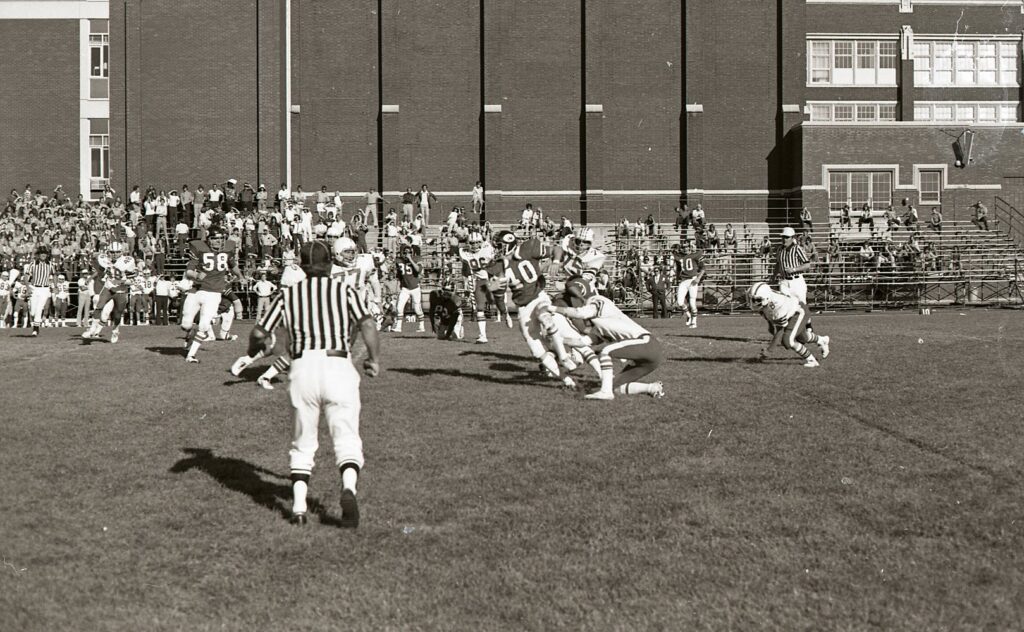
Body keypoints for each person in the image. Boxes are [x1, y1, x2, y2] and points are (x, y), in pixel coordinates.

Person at [243, 240, 381, 527]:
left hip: (303, 366)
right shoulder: (344, 290)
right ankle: (348, 488)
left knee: (303, 442)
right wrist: (374, 359)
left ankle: (298, 507)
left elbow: (259, 332)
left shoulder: (288, 295)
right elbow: (367, 324)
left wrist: (251, 350)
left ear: (302, 266)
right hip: (338, 364)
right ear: (330, 263)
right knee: (346, 437)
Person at [549, 277, 665, 400]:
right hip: (650, 354)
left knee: (606, 352)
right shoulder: (601, 324)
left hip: (647, 343)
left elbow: (579, 313)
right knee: (615, 387)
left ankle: (605, 393)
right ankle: (652, 388)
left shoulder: (597, 300)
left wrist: (551, 308)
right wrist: (558, 340)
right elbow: (582, 342)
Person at [488, 230, 576, 386]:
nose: (496, 249)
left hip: (539, 297)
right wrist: (492, 290)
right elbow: (495, 293)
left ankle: (564, 356)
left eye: (499, 246)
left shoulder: (527, 248)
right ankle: (566, 380)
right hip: (524, 307)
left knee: (548, 321)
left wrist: (556, 262)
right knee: (536, 349)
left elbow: (556, 249)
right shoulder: (499, 265)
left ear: (508, 244)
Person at [182, 226, 243, 363]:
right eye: (215, 239)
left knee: (204, 325)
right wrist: (196, 275)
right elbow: (189, 271)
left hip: (214, 293)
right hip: (197, 290)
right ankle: (191, 333)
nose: (218, 241)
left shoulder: (227, 249)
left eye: (220, 239)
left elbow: (233, 265)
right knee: (185, 325)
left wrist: (240, 276)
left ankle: (191, 355)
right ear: (208, 239)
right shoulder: (199, 248)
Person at [748, 282, 830, 368]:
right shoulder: (766, 299)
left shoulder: (777, 306)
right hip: (791, 311)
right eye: (752, 299)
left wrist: (769, 350)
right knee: (803, 338)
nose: (754, 302)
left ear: (767, 298)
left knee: (787, 341)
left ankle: (812, 360)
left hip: (798, 312)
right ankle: (822, 340)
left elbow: (780, 330)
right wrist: (770, 326)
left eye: (758, 300)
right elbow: (766, 314)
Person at [390, 244, 425, 333]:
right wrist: (400, 284)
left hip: (415, 287)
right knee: (399, 307)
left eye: (409, 252)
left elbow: (418, 270)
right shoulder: (399, 260)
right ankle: (398, 327)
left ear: (412, 253)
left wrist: (410, 260)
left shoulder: (417, 259)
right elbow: (399, 275)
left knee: (417, 309)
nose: (407, 254)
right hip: (405, 288)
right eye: (405, 253)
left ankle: (421, 326)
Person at [23, 245, 56, 337]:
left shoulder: (50, 264)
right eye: (41, 253)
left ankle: (36, 328)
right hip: (34, 288)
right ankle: (36, 323)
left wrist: (55, 286)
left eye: (44, 253)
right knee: (33, 311)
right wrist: (28, 287)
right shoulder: (33, 264)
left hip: (44, 288)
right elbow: (26, 276)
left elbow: (54, 275)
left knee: (39, 308)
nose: (43, 255)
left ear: (47, 255)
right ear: (38, 254)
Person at [673, 242, 705, 328]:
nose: (685, 249)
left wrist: (698, 278)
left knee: (692, 303)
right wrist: (677, 278)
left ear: (690, 247)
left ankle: (694, 322)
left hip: (692, 280)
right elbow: (678, 268)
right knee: (680, 302)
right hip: (684, 280)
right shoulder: (679, 257)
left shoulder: (695, 255)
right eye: (684, 247)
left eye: (687, 247)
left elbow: (703, 268)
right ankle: (688, 315)